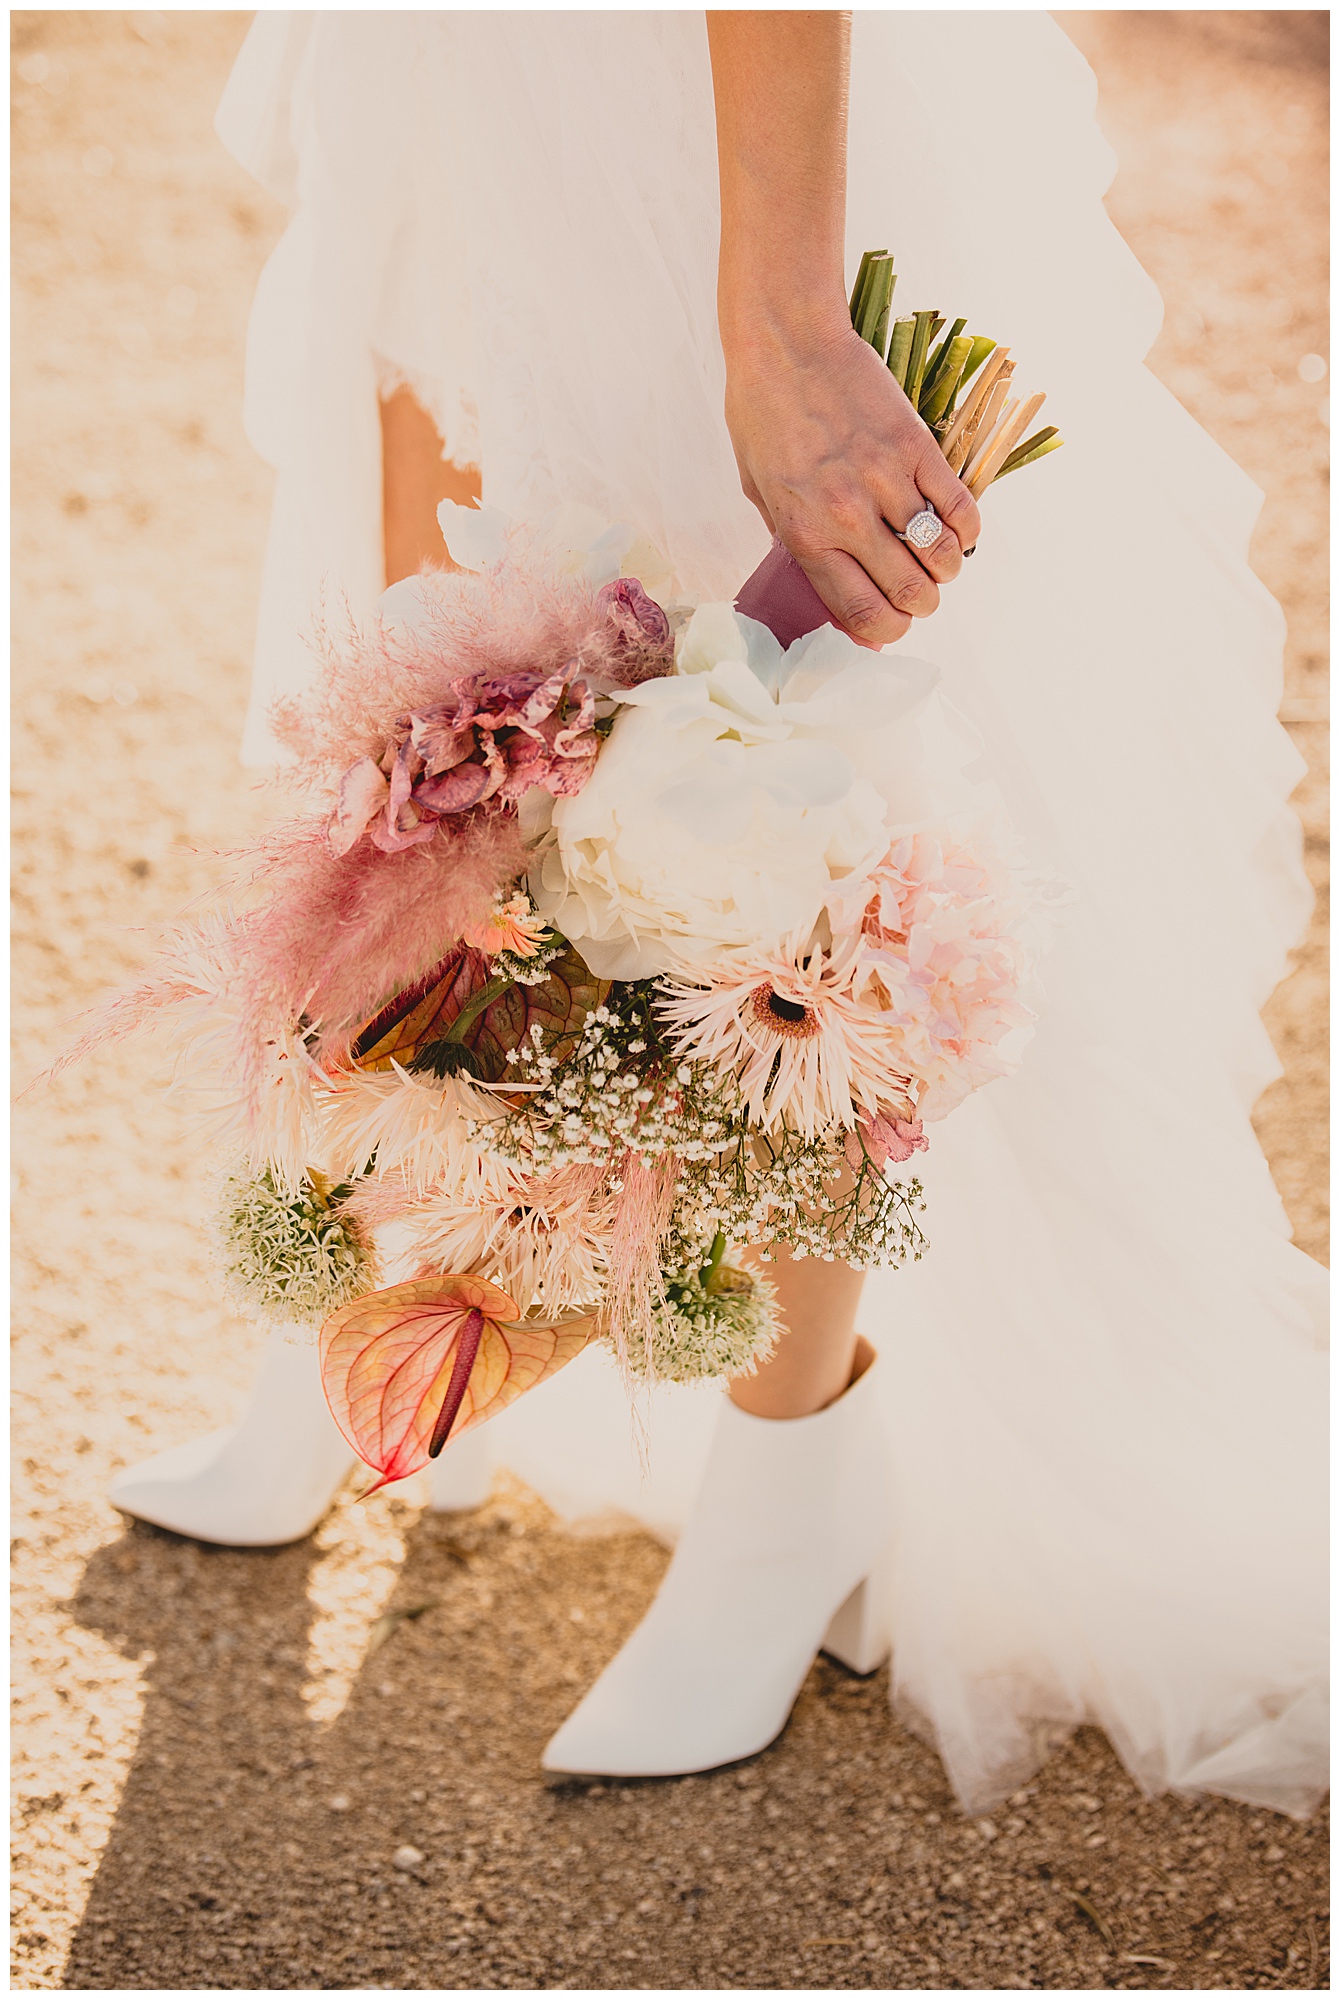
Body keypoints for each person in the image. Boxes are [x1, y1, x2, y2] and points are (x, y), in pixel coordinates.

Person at [112, 11, 1326, 1815]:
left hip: (690, 79)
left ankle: (792, 1476)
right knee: (438, 714)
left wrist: (779, 311)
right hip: (448, 58)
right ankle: (378, 1313)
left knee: (765, 769)